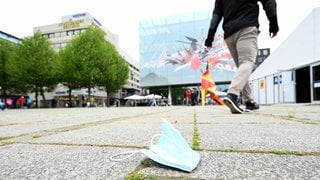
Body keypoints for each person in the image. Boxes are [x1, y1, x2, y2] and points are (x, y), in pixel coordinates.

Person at [204, 0, 279, 114]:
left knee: (242, 67)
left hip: (229, 34)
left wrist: (209, 39)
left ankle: (249, 101)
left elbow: (216, 16)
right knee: (247, 62)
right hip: (246, 27)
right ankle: (233, 94)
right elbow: (269, 2)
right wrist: (273, 22)